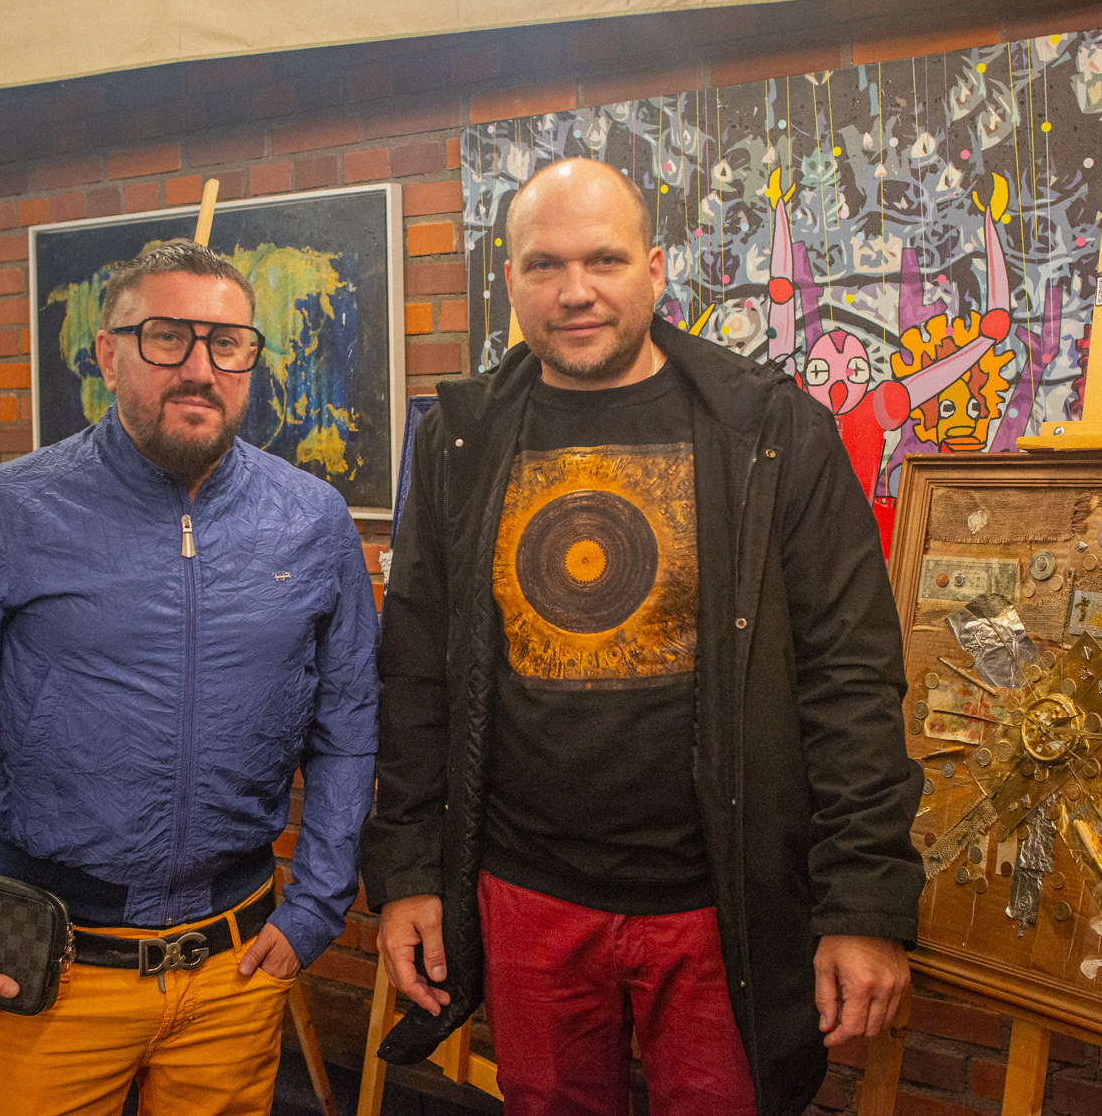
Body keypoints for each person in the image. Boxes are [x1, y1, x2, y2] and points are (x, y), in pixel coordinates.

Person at [361, 158, 923, 1116]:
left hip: (718, 901)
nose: (575, 291)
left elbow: (851, 677)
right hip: (525, 893)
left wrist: (863, 901)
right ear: (511, 280)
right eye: (545, 265)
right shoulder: (460, 440)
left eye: (604, 260)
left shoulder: (769, 429)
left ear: (655, 270)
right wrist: (409, 872)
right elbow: (415, 675)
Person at [0, 240, 381, 1116]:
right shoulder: (4, 515)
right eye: (166, 337)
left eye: (227, 343)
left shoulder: (310, 521)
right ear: (107, 354)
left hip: (235, 972)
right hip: (55, 972)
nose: (199, 368)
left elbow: (347, 726)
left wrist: (316, 903)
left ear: (251, 359)